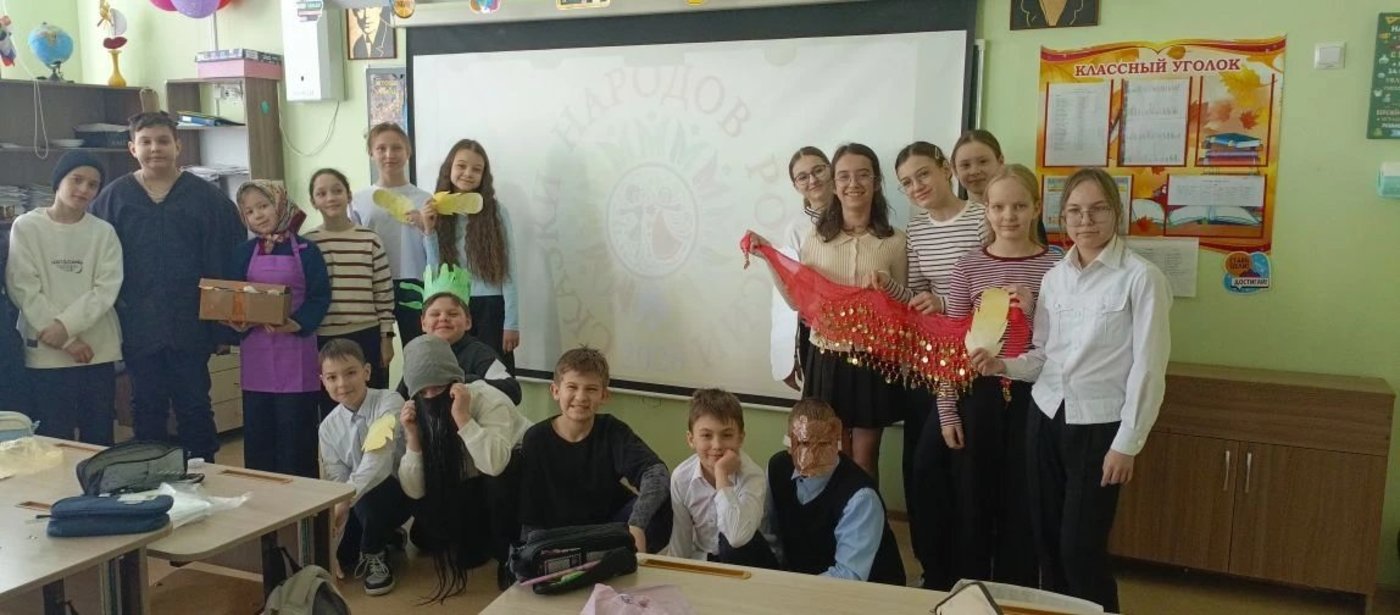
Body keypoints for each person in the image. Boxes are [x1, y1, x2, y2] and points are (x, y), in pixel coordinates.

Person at [970, 167, 1172, 611]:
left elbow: (1149, 368)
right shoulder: (1055, 277)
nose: (1086, 220)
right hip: (1045, 418)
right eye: (1076, 211)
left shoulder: (1141, 278)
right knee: (1046, 543)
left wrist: (1127, 444)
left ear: (1116, 212)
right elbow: (1045, 355)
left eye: (1098, 209)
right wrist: (1002, 365)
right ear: (1062, 217)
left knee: (1081, 549)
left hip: (1099, 429)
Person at [747, 142, 908, 485]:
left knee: (865, 458)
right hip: (827, 358)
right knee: (832, 455)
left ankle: (866, 519)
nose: (853, 184)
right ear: (834, 184)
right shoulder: (815, 239)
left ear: (877, 181)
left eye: (863, 175)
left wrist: (886, 290)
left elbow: (904, 308)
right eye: (844, 176)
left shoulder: (896, 241)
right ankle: (833, 519)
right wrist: (768, 256)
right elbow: (797, 301)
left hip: (874, 360)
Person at [90, 111, 244, 462]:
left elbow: (225, 260)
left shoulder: (208, 199)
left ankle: (204, 475)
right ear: (132, 148)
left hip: (191, 323)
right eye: (145, 142)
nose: (155, 148)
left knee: (194, 403)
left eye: (162, 141)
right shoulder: (113, 200)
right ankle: (150, 474)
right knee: (146, 405)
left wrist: (222, 328)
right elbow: (97, 263)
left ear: (178, 145)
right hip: (138, 325)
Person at [939, 164, 1061, 586]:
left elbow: (1066, 339)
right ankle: (970, 592)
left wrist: (1032, 309)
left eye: (1019, 206)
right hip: (978, 395)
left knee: (1024, 500)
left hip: (1034, 396)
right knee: (972, 499)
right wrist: (947, 409)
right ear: (986, 210)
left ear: (1036, 208)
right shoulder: (968, 267)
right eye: (999, 207)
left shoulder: (1057, 266)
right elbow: (950, 346)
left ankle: (1017, 591)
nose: (1009, 216)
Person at [892, 140, 988, 589]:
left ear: (945, 169)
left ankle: (970, 572)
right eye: (907, 183)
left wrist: (946, 304)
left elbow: (993, 287)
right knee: (922, 470)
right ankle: (934, 568)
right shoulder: (916, 230)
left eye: (923, 174)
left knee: (960, 470)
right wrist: (888, 289)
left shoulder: (982, 218)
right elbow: (916, 296)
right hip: (929, 364)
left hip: (973, 363)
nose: (917, 187)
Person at [397, 334, 530, 600]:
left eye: (438, 388)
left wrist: (463, 418)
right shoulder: (416, 411)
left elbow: (495, 464)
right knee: (425, 538)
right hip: (467, 480)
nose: (431, 396)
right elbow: (414, 491)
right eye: (423, 392)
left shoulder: (489, 400)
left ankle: (509, 553)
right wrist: (413, 439)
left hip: (508, 481)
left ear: (454, 383)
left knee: (498, 479)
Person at [5, 152, 122, 444]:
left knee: (99, 437)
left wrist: (66, 327)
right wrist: (66, 339)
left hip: (95, 349)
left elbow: (106, 289)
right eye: (77, 180)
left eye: (93, 185)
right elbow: (23, 287)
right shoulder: (26, 226)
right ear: (58, 181)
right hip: (47, 350)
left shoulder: (103, 232)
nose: (84, 189)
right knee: (53, 439)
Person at [518, 347, 671, 554]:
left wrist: (636, 525)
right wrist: (532, 552)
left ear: (604, 395)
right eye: (572, 387)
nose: (581, 397)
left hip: (607, 530)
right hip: (557, 536)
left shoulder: (612, 430)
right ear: (555, 391)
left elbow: (656, 472)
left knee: (662, 503)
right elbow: (530, 511)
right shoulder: (536, 438)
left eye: (591, 389)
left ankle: (618, 556)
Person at [225, 180, 330, 478]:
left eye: (263, 206)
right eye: (249, 211)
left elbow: (320, 297)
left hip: (297, 353)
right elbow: (233, 298)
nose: (258, 215)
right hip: (256, 356)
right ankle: (264, 502)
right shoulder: (242, 253)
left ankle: (303, 501)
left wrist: (296, 322)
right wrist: (237, 321)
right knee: (259, 437)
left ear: (281, 204)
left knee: (297, 437)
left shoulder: (308, 251)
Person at [764, 398, 905, 585]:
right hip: (806, 581)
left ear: (837, 443)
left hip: (866, 591)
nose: (813, 455)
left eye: (823, 444)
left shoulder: (860, 496)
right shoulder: (777, 469)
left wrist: (792, 589)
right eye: (804, 443)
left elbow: (848, 576)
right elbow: (770, 535)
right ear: (789, 444)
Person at [317, 339, 409, 596]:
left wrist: (345, 500)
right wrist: (331, 547)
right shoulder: (327, 427)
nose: (342, 384)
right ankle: (386, 535)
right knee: (344, 555)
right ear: (322, 381)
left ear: (367, 372)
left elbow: (378, 462)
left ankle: (374, 553)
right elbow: (337, 480)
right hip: (357, 502)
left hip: (399, 492)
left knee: (371, 489)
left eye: (350, 373)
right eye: (332, 377)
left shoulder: (389, 401)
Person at [425, 140, 519, 372]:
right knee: (457, 373)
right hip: (454, 305)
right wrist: (428, 231)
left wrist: (512, 323)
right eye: (461, 166)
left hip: (490, 306)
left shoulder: (496, 212)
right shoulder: (436, 209)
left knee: (494, 374)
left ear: (483, 176)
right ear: (449, 168)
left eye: (477, 169)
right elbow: (436, 271)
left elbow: (509, 270)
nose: (468, 173)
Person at [305, 168, 396, 394]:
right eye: (322, 193)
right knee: (333, 402)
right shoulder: (307, 243)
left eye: (337, 191)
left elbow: (383, 291)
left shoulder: (370, 239)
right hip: (324, 337)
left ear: (349, 195)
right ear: (313, 202)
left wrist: (386, 338)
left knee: (373, 399)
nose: (331, 198)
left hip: (367, 333)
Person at [664, 388, 774, 567]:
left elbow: (737, 537)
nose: (717, 445)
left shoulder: (753, 475)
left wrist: (721, 475)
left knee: (729, 542)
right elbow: (680, 539)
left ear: (740, 438)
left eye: (727, 435)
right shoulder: (681, 478)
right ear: (691, 439)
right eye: (706, 435)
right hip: (707, 560)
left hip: (750, 562)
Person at [351, 123, 432, 345]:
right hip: (374, 285)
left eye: (397, 148)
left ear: (408, 152)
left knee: (418, 350)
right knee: (375, 351)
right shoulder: (359, 200)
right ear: (371, 153)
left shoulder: (425, 199)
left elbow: (435, 248)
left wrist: (424, 226)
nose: (389, 155)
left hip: (415, 282)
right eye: (381, 148)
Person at [395, 264, 521, 405]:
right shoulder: (418, 355)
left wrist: (466, 381)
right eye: (435, 314)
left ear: (468, 322)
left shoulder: (479, 353)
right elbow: (398, 399)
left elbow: (513, 391)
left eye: (453, 314)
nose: (443, 318)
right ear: (423, 323)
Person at [770, 146, 832, 391]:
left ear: (831, 170)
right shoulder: (796, 229)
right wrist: (787, 355)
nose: (813, 180)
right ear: (795, 186)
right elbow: (789, 295)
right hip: (815, 331)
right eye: (803, 177)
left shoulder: (858, 214)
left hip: (859, 331)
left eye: (818, 170)